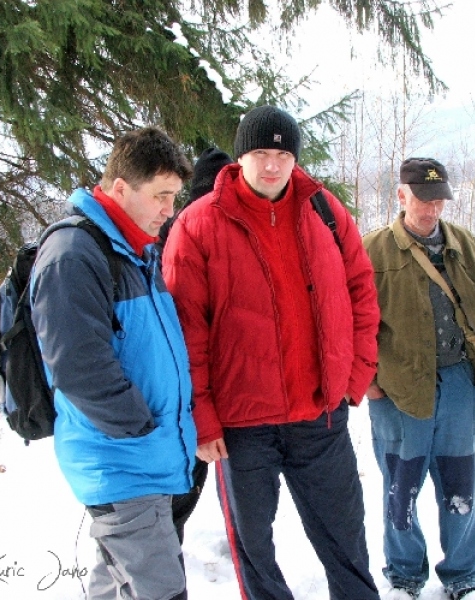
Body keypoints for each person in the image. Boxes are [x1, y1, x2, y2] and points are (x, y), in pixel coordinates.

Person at [163, 105, 381, 600]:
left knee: (346, 542)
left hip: (319, 418)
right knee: (254, 553)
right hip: (243, 429)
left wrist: (356, 374)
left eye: (282, 154)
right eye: (260, 153)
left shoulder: (324, 210)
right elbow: (186, 333)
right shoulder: (198, 225)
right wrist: (203, 417)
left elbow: (361, 293)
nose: (271, 166)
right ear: (240, 156)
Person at [30, 126, 197, 600]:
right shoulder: (75, 253)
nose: (170, 210)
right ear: (120, 187)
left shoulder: (136, 251)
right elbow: (78, 366)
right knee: (161, 590)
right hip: (123, 463)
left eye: (174, 197)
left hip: (143, 458)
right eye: (161, 196)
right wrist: (139, 426)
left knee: (116, 587)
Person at [363, 157, 475, 599]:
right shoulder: (373, 249)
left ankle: (463, 575)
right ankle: (405, 575)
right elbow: (355, 322)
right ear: (401, 195)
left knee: (460, 488)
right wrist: (370, 382)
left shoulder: (464, 243)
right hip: (400, 390)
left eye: (439, 199)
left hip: (462, 386)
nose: (432, 209)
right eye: (423, 199)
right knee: (399, 493)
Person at [158, 146, 234, 545]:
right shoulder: (180, 233)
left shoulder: (172, 229)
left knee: (188, 483)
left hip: (197, 383)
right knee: (186, 482)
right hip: (187, 388)